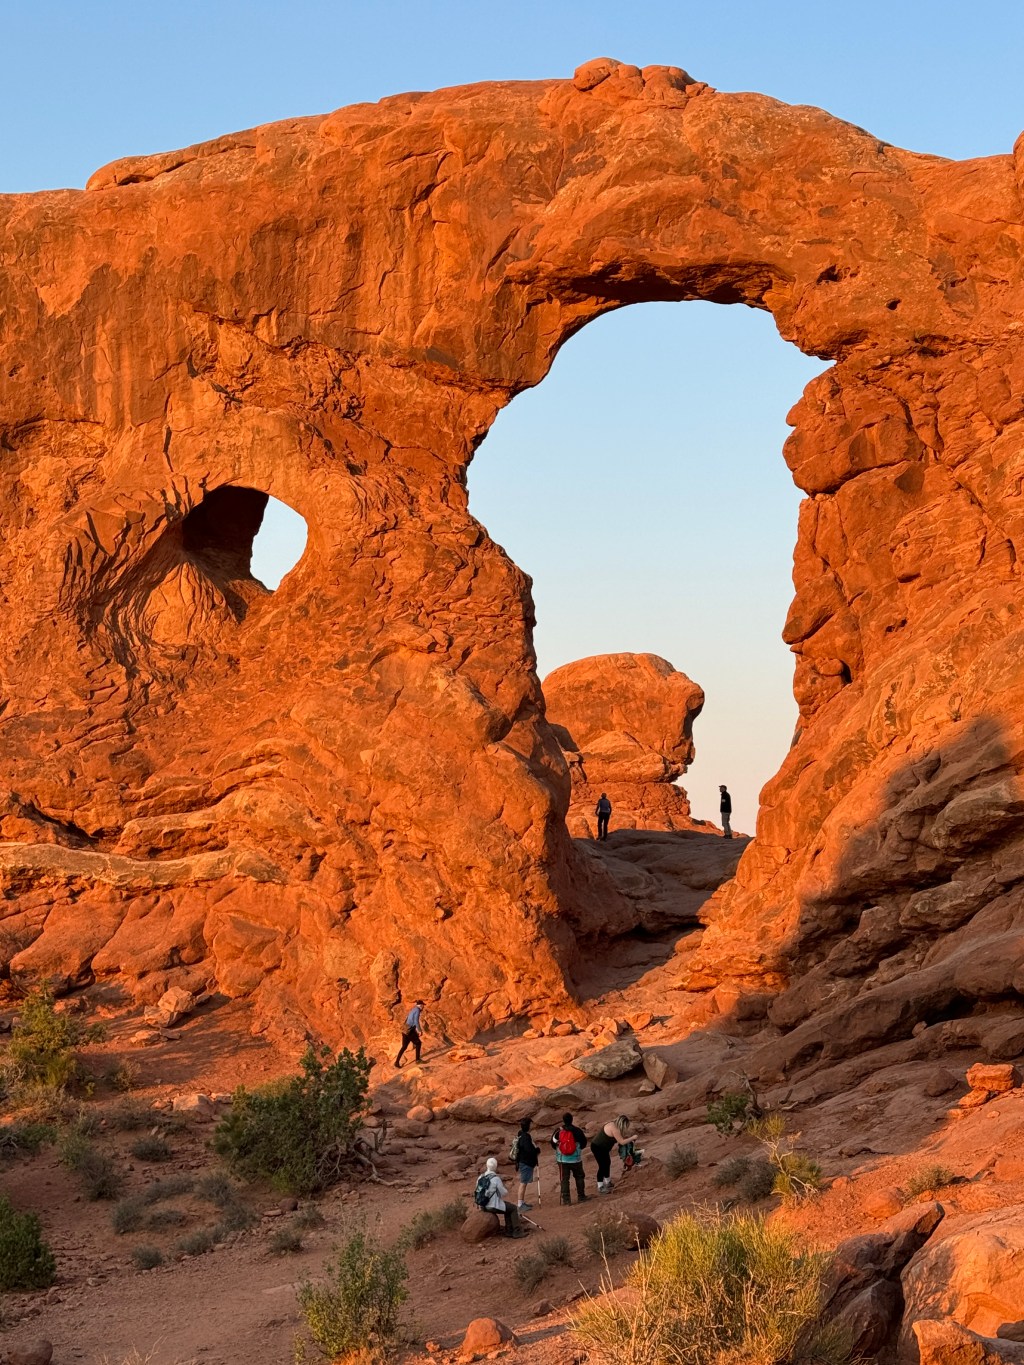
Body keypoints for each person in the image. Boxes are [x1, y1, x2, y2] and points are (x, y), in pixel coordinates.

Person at [477, 1156, 525, 1237]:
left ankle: (509, 1231)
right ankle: (517, 1231)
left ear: (487, 1165)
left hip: (483, 1205)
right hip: (492, 1206)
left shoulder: (480, 1177)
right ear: (495, 1167)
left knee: (506, 1208)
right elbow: (503, 1193)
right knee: (512, 1208)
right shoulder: (495, 1178)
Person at [550, 1111, 588, 1205]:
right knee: (579, 1177)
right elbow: (584, 1143)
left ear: (563, 1120)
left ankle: (566, 1200)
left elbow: (552, 1143)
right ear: (572, 1120)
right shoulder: (577, 1131)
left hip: (562, 1160)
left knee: (564, 1179)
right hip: (576, 1159)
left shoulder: (558, 1131)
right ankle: (581, 1196)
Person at [591, 1114, 633, 1194]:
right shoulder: (615, 1129)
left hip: (603, 1148)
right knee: (602, 1166)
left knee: (607, 1163)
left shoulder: (612, 1124)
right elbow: (622, 1141)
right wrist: (633, 1138)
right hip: (598, 1147)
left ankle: (608, 1181)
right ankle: (600, 1186)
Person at [511, 1116, 540, 1211]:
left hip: (523, 1162)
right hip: (525, 1163)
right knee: (523, 1183)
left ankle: (522, 1202)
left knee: (524, 1183)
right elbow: (529, 1150)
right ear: (528, 1126)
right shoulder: (525, 1137)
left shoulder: (521, 1135)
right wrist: (536, 1151)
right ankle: (520, 1204)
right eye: (530, 1124)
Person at [394, 999, 425, 1067]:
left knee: (404, 1047)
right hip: (409, 1030)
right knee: (418, 1043)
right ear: (421, 1005)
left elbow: (409, 1019)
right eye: (423, 1005)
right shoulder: (417, 1010)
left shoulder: (413, 1009)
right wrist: (419, 1030)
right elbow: (416, 1021)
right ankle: (417, 1060)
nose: (423, 1007)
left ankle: (396, 1062)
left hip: (405, 1030)